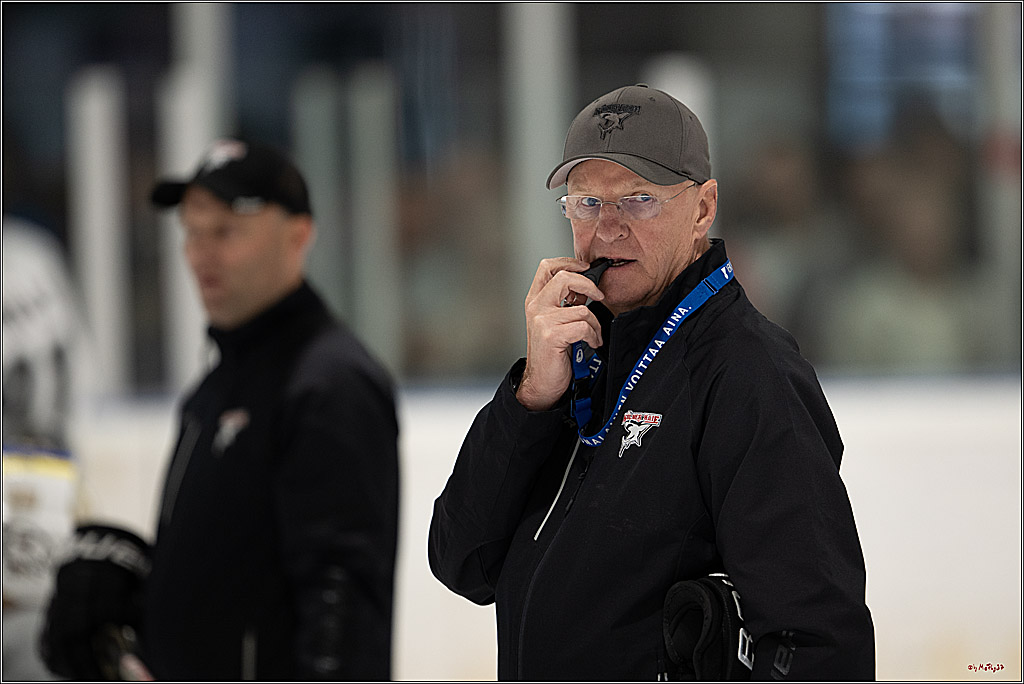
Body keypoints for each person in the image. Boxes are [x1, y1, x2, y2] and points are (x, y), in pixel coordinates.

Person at [428, 84, 874, 680]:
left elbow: (816, 637)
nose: (606, 229)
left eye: (638, 200)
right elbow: (463, 562)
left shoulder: (749, 373)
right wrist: (531, 396)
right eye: (586, 203)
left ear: (704, 208)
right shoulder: (570, 360)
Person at [39, 139, 401, 680]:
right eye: (192, 232)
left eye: (227, 231)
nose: (202, 255)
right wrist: (144, 593)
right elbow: (240, 583)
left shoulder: (329, 384)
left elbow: (342, 603)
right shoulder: (214, 390)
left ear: (298, 235)